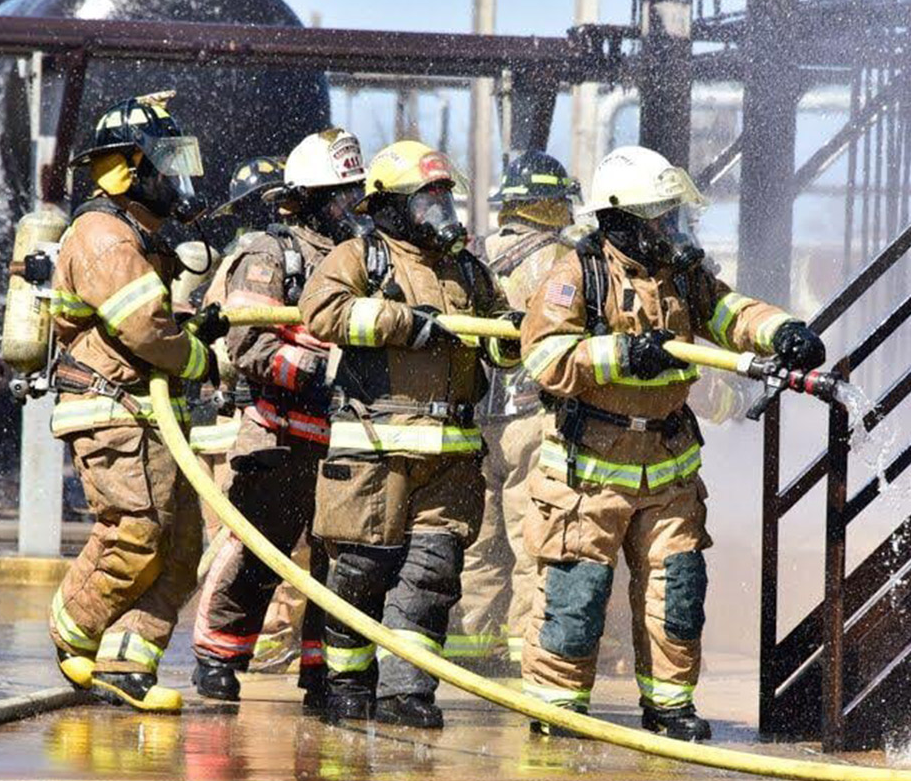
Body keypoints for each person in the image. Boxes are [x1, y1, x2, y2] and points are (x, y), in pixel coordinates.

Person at [518, 145, 825, 741]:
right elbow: (543, 358)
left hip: (668, 471)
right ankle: (558, 712)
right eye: (660, 217)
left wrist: (782, 330)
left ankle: (669, 708)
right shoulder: (577, 274)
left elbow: (731, 313)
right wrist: (620, 354)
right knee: (575, 601)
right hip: (588, 474)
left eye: (671, 217)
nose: (671, 228)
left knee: (677, 595)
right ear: (622, 220)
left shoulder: (683, 276)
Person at [298, 140, 520, 729]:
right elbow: (320, 313)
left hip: (448, 457)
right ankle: (347, 682)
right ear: (390, 207)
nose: (441, 211)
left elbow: (501, 337)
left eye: (446, 197)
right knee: (363, 569)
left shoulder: (469, 270)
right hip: (373, 450)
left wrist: (514, 334)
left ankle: (405, 692)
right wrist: (406, 325)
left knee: (432, 571)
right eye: (427, 199)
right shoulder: (360, 256)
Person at [46, 90, 228, 712]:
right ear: (128, 169)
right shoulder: (102, 235)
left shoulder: (138, 235)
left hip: (150, 413)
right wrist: (200, 356)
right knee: (135, 533)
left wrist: (192, 330)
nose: (176, 178)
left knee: (179, 550)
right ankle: (74, 629)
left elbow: (156, 325)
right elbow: (144, 329)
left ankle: (129, 665)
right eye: (164, 163)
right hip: (111, 410)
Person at [190, 129, 369, 711]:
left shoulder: (366, 255)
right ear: (307, 197)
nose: (351, 206)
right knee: (256, 554)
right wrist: (320, 372)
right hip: (280, 433)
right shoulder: (270, 253)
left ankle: (323, 671)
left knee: (339, 563)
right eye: (340, 195)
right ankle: (219, 658)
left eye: (355, 193)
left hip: (345, 442)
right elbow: (247, 341)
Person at [447, 151, 579, 672]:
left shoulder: (471, 253)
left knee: (479, 544)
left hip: (473, 422)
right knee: (533, 544)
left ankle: (474, 650)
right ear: (551, 204)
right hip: (533, 420)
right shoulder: (562, 261)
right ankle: (529, 654)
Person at [185, 156, 287, 541]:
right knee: (251, 549)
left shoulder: (227, 262)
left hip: (210, 421)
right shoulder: (264, 267)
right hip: (243, 423)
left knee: (219, 545)